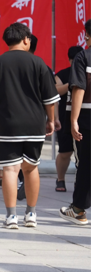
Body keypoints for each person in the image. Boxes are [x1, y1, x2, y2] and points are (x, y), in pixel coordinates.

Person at [0, 23, 58, 229]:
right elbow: (49, 99)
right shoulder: (38, 63)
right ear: (25, 40)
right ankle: (31, 213)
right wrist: (50, 120)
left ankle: (11, 216)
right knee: (31, 169)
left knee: (10, 170)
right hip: (34, 124)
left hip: (8, 124)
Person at [61, 22, 91, 226]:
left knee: (85, 163)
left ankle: (78, 209)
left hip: (88, 117)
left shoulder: (83, 57)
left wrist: (73, 120)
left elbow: (79, 88)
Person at [54, 46, 82, 193]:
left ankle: (81, 181)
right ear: (70, 60)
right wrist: (71, 83)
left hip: (83, 117)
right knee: (65, 151)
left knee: (83, 152)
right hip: (65, 118)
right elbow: (56, 90)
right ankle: (60, 178)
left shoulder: (86, 73)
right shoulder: (62, 74)